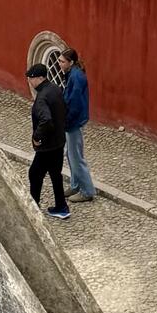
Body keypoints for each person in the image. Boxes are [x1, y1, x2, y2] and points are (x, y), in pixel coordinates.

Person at [26, 63, 69, 218]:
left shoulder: (42, 98)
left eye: (31, 78)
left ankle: (34, 206)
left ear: (39, 78)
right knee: (55, 174)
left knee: (34, 173)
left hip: (48, 146)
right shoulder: (55, 89)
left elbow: (46, 120)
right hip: (59, 141)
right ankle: (62, 207)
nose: (29, 81)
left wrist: (37, 137)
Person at [61, 47, 96, 202]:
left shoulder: (76, 77)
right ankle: (75, 185)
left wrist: (66, 121)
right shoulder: (72, 74)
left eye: (62, 61)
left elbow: (74, 104)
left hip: (72, 122)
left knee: (76, 157)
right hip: (70, 121)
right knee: (71, 154)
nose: (59, 64)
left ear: (71, 62)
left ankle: (87, 191)